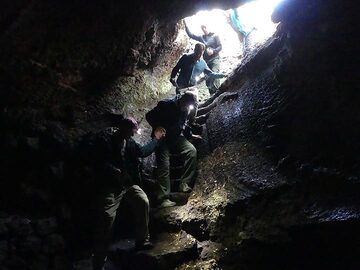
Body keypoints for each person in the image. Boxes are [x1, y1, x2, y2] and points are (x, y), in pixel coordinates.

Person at [89, 117, 165, 270]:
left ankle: (142, 239)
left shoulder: (129, 143)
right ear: (124, 128)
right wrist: (111, 170)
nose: (134, 132)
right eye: (132, 129)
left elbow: (143, 152)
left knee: (142, 200)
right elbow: (98, 161)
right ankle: (98, 262)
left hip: (126, 183)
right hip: (110, 186)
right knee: (106, 219)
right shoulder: (107, 140)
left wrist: (156, 139)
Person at [146, 92, 198, 208]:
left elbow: (183, 125)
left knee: (191, 151)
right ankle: (163, 199)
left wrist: (191, 135)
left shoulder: (185, 110)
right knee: (164, 165)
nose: (187, 108)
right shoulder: (166, 104)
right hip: (162, 138)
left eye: (190, 106)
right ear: (183, 100)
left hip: (176, 137)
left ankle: (183, 184)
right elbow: (149, 115)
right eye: (187, 104)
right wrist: (158, 126)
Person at [184, 23, 223, 93]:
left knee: (214, 73)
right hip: (206, 61)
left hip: (215, 59)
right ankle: (212, 94)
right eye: (202, 29)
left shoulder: (215, 36)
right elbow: (191, 35)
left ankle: (218, 92)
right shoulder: (201, 37)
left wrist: (214, 51)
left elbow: (220, 46)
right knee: (208, 78)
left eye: (205, 28)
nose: (204, 30)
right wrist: (185, 25)